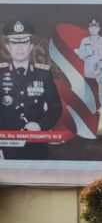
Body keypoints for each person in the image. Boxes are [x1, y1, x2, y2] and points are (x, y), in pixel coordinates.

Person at [0, 20, 63, 160]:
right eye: (15, 43)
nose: (20, 48)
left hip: (37, 144)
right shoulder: (0, 74)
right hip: (6, 145)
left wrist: (40, 125)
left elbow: (55, 107)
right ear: (8, 47)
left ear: (31, 46)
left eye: (24, 43)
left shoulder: (43, 74)